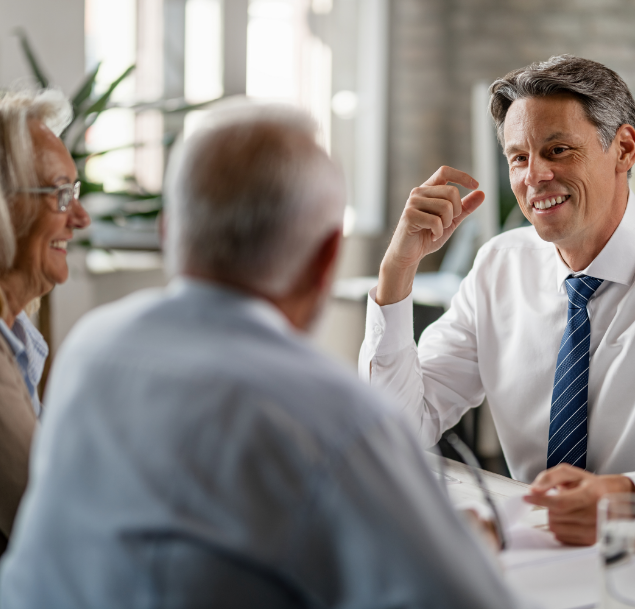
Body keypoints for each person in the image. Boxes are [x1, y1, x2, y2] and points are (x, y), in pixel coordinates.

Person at [0, 100, 524, 608]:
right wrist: (470, 546)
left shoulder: (93, 348)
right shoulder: (334, 416)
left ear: (168, 233)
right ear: (325, 262)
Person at [360, 54, 635, 546]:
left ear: (624, 149)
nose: (535, 177)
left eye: (558, 150)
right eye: (519, 157)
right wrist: (396, 270)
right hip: (534, 553)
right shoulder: (499, 267)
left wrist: (625, 497)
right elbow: (397, 428)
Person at [0, 89, 89, 549]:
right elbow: (53, 524)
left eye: (75, 192)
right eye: (60, 194)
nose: (80, 216)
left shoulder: (17, 337)